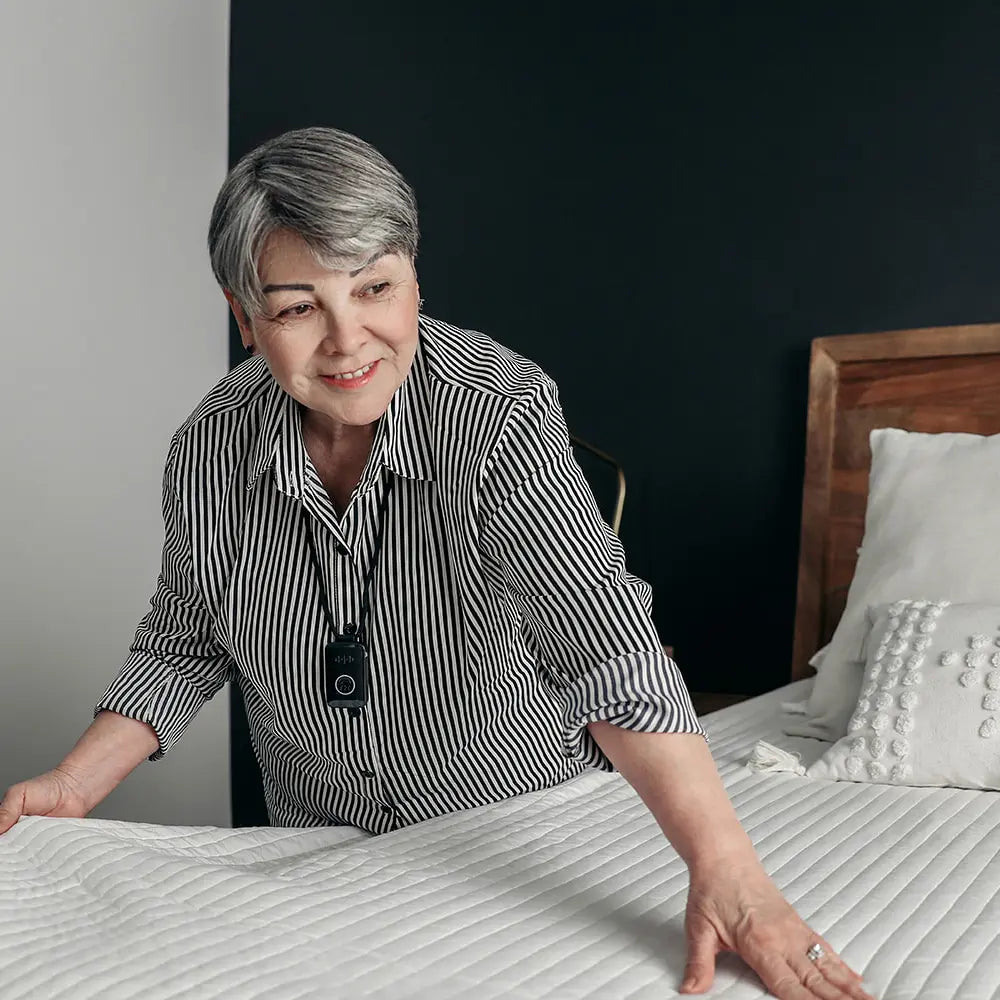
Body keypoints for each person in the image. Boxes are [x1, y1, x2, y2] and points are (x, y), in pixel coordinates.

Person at [0, 127, 872, 1000]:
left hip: (522, 827)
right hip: (320, 850)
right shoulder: (204, 450)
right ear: (244, 315)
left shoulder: (501, 412)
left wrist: (731, 877)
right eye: (300, 307)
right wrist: (73, 785)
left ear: (414, 274)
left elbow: (606, 647)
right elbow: (183, 640)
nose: (349, 342)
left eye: (375, 288)